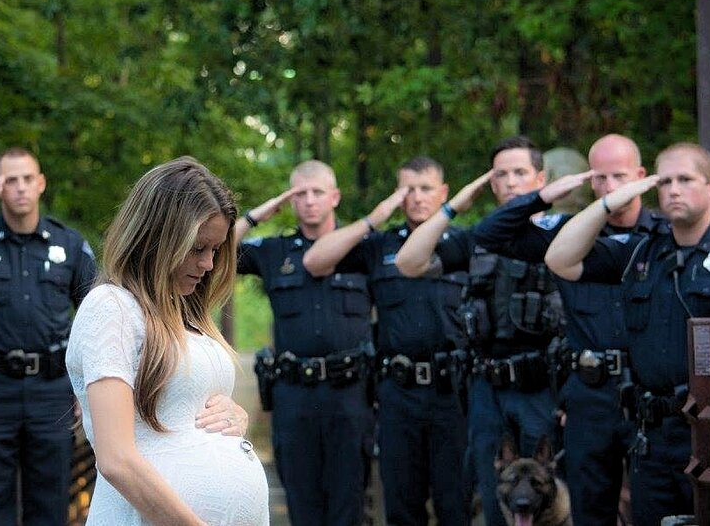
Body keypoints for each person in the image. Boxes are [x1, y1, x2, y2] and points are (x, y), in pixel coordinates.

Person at [544, 142, 710, 526]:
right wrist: (609, 201)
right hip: (651, 434)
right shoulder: (643, 252)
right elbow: (560, 259)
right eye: (664, 181)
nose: (673, 189)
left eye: (685, 180)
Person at [66, 156, 269, 525]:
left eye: (215, 250)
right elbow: (116, 459)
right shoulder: (111, 307)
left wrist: (233, 419)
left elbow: (184, 412)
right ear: (157, 237)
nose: (209, 263)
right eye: (197, 248)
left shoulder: (185, 311)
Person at [471, 134, 659, 526]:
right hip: (589, 395)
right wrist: (540, 197)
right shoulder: (571, 234)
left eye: (619, 177)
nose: (609, 188)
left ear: (641, 177)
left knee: (654, 509)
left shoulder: (663, 235)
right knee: (590, 510)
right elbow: (489, 235)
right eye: (600, 179)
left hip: (648, 393)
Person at [394, 136, 561, 526]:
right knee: (493, 493)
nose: (511, 182)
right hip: (488, 388)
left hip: (542, 385)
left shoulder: (562, 232)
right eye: (501, 175)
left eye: (520, 173)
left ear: (540, 179)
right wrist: (452, 207)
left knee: (549, 495)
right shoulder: (475, 240)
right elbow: (410, 260)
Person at [302, 156, 470, 526]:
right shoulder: (379, 246)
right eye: (407, 189)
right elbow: (314, 262)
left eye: (426, 188)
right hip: (398, 394)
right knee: (401, 504)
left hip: (453, 394)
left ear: (443, 193)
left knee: (454, 503)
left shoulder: (463, 243)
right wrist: (374, 218)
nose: (417, 198)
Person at [0, 147, 96, 526]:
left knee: (50, 500)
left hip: (52, 390)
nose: (19, 188)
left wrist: (84, 388)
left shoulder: (68, 244)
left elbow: (96, 317)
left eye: (26, 179)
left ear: (40, 184)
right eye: (9, 180)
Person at [236, 160, 374, 526]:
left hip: (350, 395)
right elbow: (213, 252)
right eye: (300, 194)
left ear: (335, 197)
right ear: (289, 200)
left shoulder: (364, 248)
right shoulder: (273, 251)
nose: (310, 201)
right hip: (294, 397)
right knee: (302, 504)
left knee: (349, 504)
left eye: (318, 192)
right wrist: (257, 216)